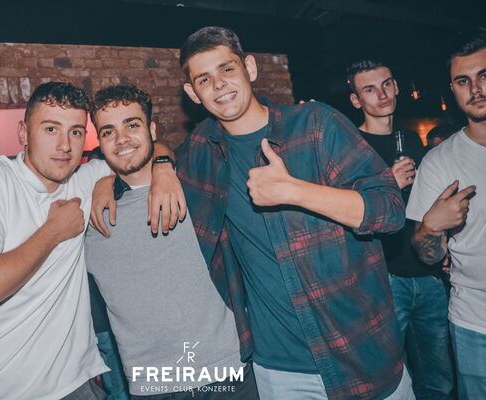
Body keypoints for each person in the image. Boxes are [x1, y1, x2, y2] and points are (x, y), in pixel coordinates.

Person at [91, 26, 411, 400]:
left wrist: (296, 191)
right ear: (193, 93)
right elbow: (147, 147)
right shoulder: (202, 152)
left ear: (250, 68)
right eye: (204, 79)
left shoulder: (315, 124)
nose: (218, 85)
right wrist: (136, 171)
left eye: (227, 69)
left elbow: (390, 211)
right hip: (277, 370)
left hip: (361, 353)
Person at [0, 81, 181, 400]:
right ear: (23, 133)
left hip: (74, 383)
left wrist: (164, 168)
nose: (65, 146)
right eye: (50, 129)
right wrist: (52, 232)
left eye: (75, 132)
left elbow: (146, 150)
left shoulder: (84, 179)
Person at [86, 85, 258, 400]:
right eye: (108, 131)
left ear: (152, 130)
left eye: (132, 125)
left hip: (227, 372)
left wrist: (164, 163)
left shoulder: (195, 186)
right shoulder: (91, 214)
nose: (121, 139)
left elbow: (232, 128)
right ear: (100, 141)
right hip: (152, 385)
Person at [347, 59, 453, 399]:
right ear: (356, 100)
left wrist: (443, 245)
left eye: (387, 84)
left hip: (427, 273)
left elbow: (426, 205)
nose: (382, 95)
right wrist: (386, 183)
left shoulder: (408, 138)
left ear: (396, 86)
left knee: (440, 377)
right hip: (384, 279)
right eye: (369, 89)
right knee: (391, 377)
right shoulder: (349, 146)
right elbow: (345, 213)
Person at [406, 30, 486, 400]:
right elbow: (429, 255)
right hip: (476, 323)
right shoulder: (439, 161)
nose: (476, 89)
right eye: (463, 81)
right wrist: (430, 226)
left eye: (484, 75)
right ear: (452, 89)